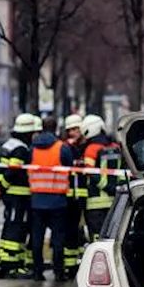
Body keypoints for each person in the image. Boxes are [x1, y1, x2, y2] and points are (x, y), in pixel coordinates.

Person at [28, 115, 75, 282]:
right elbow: (70, 168)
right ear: (56, 128)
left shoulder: (32, 148)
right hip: (58, 201)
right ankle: (58, 271)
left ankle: (37, 271)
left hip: (37, 200)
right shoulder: (61, 148)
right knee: (58, 239)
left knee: (37, 239)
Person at [0, 113, 39, 278]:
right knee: (16, 228)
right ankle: (12, 264)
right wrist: (4, 186)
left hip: (10, 196)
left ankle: (5, 257)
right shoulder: (20, 149)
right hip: (18, 196)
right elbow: (14, 170)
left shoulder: (8, 145)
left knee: (10, 225)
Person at [81, 114, 123, 241]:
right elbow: (122, 171)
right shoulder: (116, 147)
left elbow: (90, 172)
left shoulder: (91, 149)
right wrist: (116, 188)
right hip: (116, 201)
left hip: (95, 202)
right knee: (114, 237)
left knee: (97, 237)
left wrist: (106, 186)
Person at [61, 113, 86, 278]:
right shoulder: (65, 147)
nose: (73, 133)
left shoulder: (86, 146)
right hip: (69, 197)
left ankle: (82, 264)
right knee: (70, 231)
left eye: (76, 129)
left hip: (85, 197)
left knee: (82, 232)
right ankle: (70, 265)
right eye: (70, 130)